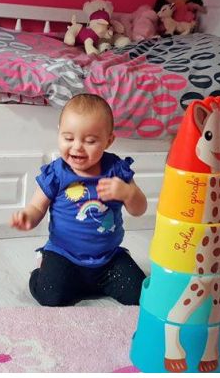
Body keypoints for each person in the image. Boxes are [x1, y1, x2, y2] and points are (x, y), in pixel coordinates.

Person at [10, 93, 148, 307]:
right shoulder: (57, 173)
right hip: (64, 254)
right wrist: (28, 217)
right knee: (50, 296)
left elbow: (139, 209)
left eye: (90, 141)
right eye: (68, 138)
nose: (77, 147)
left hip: (108, 258)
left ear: (109, 140)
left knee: (139, 294)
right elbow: (37, 205)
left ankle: (92, 282)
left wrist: (129, 194)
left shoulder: (116, 171)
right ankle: (42, 267)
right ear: (59, 133)